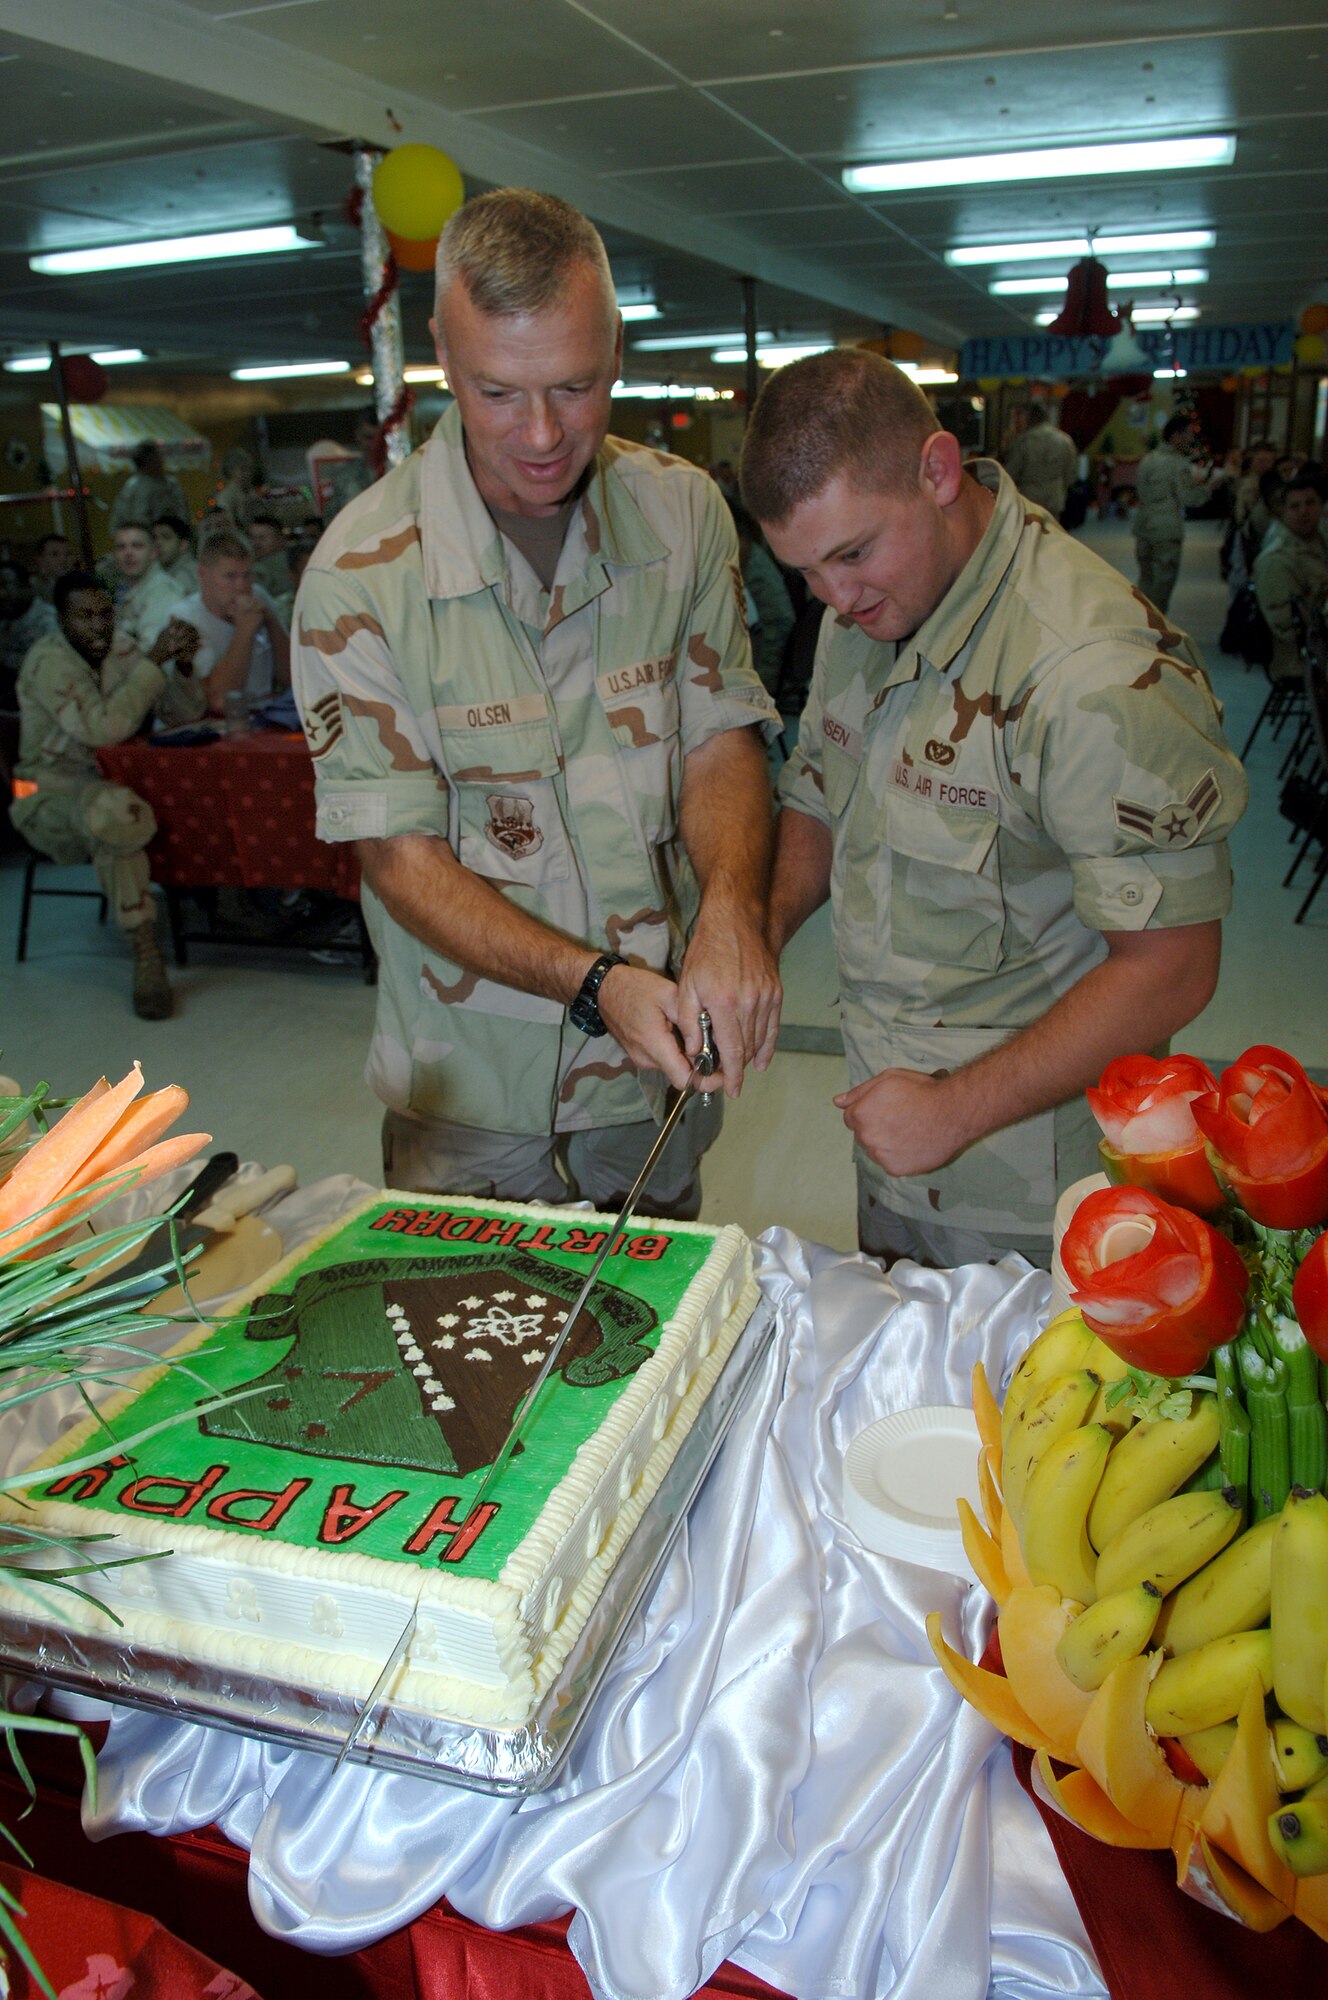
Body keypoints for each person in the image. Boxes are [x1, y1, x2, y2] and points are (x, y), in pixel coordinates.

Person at [292, 186, 781, 1214]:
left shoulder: (679, 512)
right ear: (438, 351)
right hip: (471, 1087)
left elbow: (715, 735)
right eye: (497, 391)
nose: (543, 433)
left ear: (615, 349)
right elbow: (397, 857)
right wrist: (594, 981)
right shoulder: (362, 576)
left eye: (576, 384)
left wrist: (731, 906)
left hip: (651, 1075)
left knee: (650, 1338)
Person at [740, 349, 1248, 1269]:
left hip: (1044, 1192)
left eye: (851, 554)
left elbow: (1173, 967)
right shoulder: (871, 607)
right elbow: (817, 785)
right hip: (897, 1133)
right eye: (806, 572)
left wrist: (955, 1109)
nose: (835, 600)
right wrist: (757, 937)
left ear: (937, 471)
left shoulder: (1089, 673)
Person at [11, 572, 204, 1019]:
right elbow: (105, 728)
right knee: (118, 814)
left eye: (105, 614)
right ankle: (145, 951)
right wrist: (154, 661)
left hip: (108, 790)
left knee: (144, 808)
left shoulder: (119, 649)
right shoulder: (48, 663)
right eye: (85, 616)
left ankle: (226, 907)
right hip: (46, 798)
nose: (99, 626)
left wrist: (184, 665)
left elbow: (184, 712)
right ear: (61, 619)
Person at [173, 532, 290, 715]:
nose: (241, 586)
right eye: (230, 576)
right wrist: (244, 631)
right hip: (207, 730)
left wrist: (271, 622)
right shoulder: (184, 618)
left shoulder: (259, 596)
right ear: (203, 574)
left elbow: (292, 678)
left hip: (262, 719)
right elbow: (219, 702)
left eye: (247, 575)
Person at [1254, 464, 1328, 684]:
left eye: (1310, 503)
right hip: (1302, 658)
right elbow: (1287, 628)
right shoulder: (1276, 559)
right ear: (1282, 511)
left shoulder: (1319, 540)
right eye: (1295, 506)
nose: (1303, 511)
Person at [1133, 413, 1211, 613]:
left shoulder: (1148, 460)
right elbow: (1188, 497)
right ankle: (1157, 630)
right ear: (1176, 436)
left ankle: (1144, 622)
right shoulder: (1179, 464)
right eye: (1188, 434)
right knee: (1162, 585)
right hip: (1167, 530)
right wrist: (1208, 488)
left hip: (1143, 526)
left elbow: (1141, 492)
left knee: (1146, 581)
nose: (1191, 439)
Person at [730, 501, 796, 698]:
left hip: (774, 629)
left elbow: (779, 620)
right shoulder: (746, 549)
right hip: (771, 626)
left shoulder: (745, 553)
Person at [108, 523, 189, 659]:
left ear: (153, 553)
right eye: (121, 547)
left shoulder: (163, 592)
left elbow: (151, 654)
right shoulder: (128, 587)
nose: (128, 553)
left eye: (137, 546)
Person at [1001, 402, 1078, 521]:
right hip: (1054, 494)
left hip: (1029, 495)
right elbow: (1071, 472)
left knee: (1031, 533)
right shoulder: (1064, 440)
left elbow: (1012, 471)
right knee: (1053, 533)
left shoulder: (1023, 441)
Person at [0, 561, 56, 706]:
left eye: (7, 585)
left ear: (27, 586)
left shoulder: (49, 623)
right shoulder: (6, 621)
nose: (2, 594)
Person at [109, 442, 189, 536]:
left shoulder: (168, 483)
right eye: (158, 457)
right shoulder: (136, 487)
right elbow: (138, 519)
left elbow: (182, 514)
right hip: (146, 540)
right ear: (149, 461)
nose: (162, 461)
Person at [322, 412, 380, 524]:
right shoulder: (344, 477)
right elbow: (331, 521)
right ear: (358, 435)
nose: (374, 444)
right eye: (369, 437)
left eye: (379, 438)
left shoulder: (398, 471)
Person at [151, 514, 200, 592]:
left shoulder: (185, 575)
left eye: (166, 537)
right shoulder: (162, 570)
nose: (158, 543)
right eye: (154, 538)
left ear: (183, 545)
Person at [247, 512, 290, 599]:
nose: (255, 543)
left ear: (279, 539)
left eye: (262, 538)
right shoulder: (250, 565)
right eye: (252, 537)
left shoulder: (288, 564)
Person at [215, 448, 258, 534]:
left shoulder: (249, 490)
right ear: (231, 471)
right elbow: (229, 524)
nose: (248, 474)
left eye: (249, 469)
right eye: (243, 469)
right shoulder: (226, 496)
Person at [32, 534, 75, 603]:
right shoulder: (31, 587)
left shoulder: (79, 586)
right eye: (54, 554)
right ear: (40, 560)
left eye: (68, 554)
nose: (63, 559)